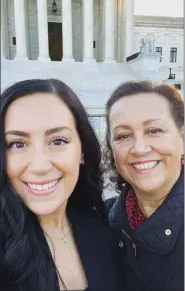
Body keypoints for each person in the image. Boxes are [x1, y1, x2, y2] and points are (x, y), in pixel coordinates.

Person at [0, 79, 123, 291]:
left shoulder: (100, 224)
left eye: (58, 141)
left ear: (83, 150)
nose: (39, 166)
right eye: (17, 144)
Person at [104, 80, 184, 291]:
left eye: (154, 130)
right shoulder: (100, 220)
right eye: (123, 136)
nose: (139, 149)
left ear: (182, 138)